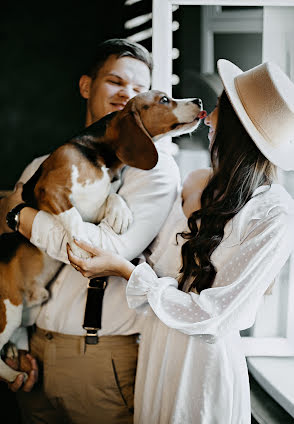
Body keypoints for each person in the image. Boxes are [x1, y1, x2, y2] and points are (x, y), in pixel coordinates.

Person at [67, 59, 294, 424]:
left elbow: (215, 314)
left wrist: (125, 270)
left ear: (235, 125)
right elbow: (158, 262)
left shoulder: (275, 212)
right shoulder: (197, 181)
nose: (207, 116)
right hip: (158, 349)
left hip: (202, 363)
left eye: (218, 107)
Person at [0, 39, 180, 423]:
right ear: (86, 86)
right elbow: (12, 255)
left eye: (138, 89)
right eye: (116, 82)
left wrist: (21, 215)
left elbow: (105, 253)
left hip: (99, 362)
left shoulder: (154, 168)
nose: (127, 95)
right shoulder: (41, 164)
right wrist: (15, 344)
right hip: (35, 350)